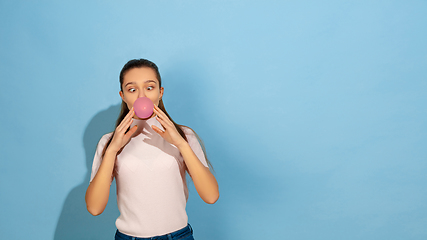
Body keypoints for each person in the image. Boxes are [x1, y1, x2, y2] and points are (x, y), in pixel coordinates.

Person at [85, 59, 219, 240]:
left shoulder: (184, 136)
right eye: (132, 89)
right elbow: (94, 208)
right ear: (122, 95)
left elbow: (211, 196)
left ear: (160, 92)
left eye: (149, 87)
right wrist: (111, 151)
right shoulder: (108, 142)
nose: (142, 97)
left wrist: (181, 144)